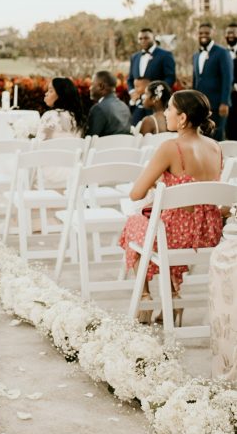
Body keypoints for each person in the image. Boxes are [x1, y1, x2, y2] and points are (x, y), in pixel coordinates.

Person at [119, 90, 224, 325]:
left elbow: (136, 193)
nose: (165, 113)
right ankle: (173, 298)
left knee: (134, 226)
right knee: (157, 225)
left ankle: (145, 298)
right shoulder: (216, 147)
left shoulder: (170, 147)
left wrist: (159, 182)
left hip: (176, 235)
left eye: (169, 109)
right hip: (208, 234)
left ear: (183, 118)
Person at [127, 28, 176, 127]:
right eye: (140, 38)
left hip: (156, 105)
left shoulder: (165, 55)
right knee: (135, 129)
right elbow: (130, 79)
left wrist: (156, 93)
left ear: (153, 38)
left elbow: (170, 78)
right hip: (138, 104)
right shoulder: (134, 57)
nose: (143, 41)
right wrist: (132, 92)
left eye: (146, 38)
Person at [192, 22, 232, 141]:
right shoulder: (196, 55)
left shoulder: (222, 52)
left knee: (216, 138)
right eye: (200, 33)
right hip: (200, 105)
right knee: (202, 137)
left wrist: (224, 102)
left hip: (217, 105)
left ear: (212, 34)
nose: (203, 35)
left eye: (206, 33)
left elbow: (227, 78)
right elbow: (196, 79)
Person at [84, 71, 132, 137]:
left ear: (101, 86)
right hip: (125, 146)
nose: (90, 88)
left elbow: (89, 139)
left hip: (104, 147)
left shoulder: (98, 109)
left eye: (92, 84)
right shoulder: (125, 107)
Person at [224, 22, 237, 141]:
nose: (231, 35)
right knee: (228, 129)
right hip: (227, 97)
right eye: (228, 33)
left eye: (233, 32)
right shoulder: (222, 53)